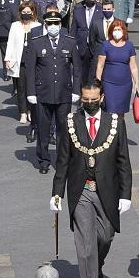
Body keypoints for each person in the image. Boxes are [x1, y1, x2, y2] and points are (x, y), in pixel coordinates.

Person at [50, 79, 132, 278]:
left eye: (94, 100)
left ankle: (98, 267)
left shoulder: (114, 122)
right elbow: (63, 160)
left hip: (108, 190)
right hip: (81, 190)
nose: (89, 104)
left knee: (105, 236)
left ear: (102, 98)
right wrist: (57, 193)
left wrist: (125, 194)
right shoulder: (71, 121)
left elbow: (123, 161)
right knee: (85, 244)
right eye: (85, 100)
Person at [24, 11, 81, 174]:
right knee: (43, 129)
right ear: (45, 25)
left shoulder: (70, 42)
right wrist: (31, 92)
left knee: (64, 130)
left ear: (60, 25)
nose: (53, 27)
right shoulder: (36, 43)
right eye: (50, 24)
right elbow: (30, 71)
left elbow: (77, 69)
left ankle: (62, 161)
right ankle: (43, 160)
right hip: (43, 94)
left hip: (64, 94)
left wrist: (76, 90)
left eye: (56, 23)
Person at [95, 20, 138, 115]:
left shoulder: (129, 45)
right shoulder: (106, 45)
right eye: (115, 29)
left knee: (121, 112)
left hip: (125, 84)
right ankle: (109, 129)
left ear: (123, 31)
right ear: (111, 31)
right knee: (110, 110)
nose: (117, 31)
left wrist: (136, 83)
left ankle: (120, 129)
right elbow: (100, 66)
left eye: (119, 29)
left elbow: (133, 66)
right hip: (109, 84)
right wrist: (98, 83)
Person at [5, 2, 39, 125]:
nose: (26, 14)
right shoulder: (15, 26)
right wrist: (7, 59)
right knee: (21, 88)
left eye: (28, 12)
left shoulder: (38, 26)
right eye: (23, 12)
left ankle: (31, 110)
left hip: (34, 62)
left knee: (32, 87)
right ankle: (23, 112)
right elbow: (10, 43)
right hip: (20, 60)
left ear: (33, 13)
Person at [70, 0, 103, 82]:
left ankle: (93, 91)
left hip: (96, 45)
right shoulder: (78, 8)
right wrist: (72, 44)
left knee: (94, 71)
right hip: (82, 45)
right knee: (81, 72)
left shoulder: (100, 9)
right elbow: (73, 28)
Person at [88, 0, 115, 79]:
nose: (107, 11)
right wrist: (96, 53)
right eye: (105, 9)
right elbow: (91, 40)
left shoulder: (119, 23)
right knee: (96, 79)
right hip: (98, 56)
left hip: (113, 56)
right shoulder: (96, 23)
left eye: (109, 9)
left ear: (113, 9)